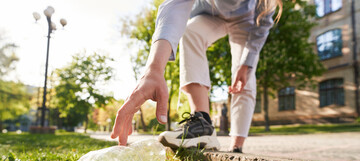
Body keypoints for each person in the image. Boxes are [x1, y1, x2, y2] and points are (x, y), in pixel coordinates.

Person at [111, 0, 282, 152]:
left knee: (244, 76)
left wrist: (245, 65)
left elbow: (263, 23)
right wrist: (154, 68)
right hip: (212, 13)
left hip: (249, 19)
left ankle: (237, 145)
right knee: (190, 32)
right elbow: (174, 6)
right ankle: (203, 123)